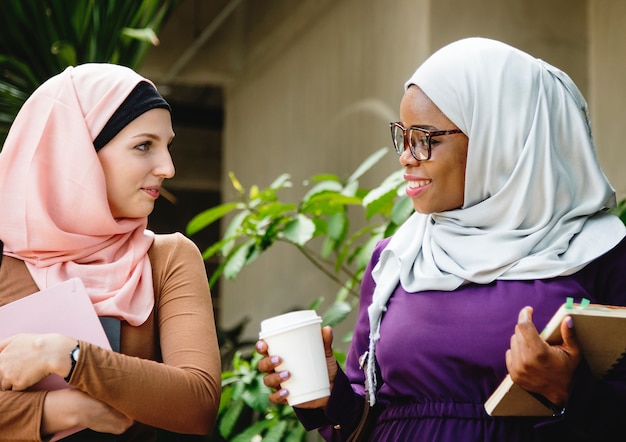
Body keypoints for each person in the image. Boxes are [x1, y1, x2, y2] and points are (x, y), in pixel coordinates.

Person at [256, 37, 626, 441]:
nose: (406, 156)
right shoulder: (398, 257)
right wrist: (328, 395)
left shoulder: (597, 252)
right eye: (403, 135)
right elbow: (364, 424)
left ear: (499, 140)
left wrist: (570, 392)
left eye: (425, 139)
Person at [0, 63, 221, 441]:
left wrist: (64, 354)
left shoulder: (168, 259)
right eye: (144, 146)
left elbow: (197, 402)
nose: (167, 167)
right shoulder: (6, 261)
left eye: (168, 146)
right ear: (78, 153)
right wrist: (58, 410)